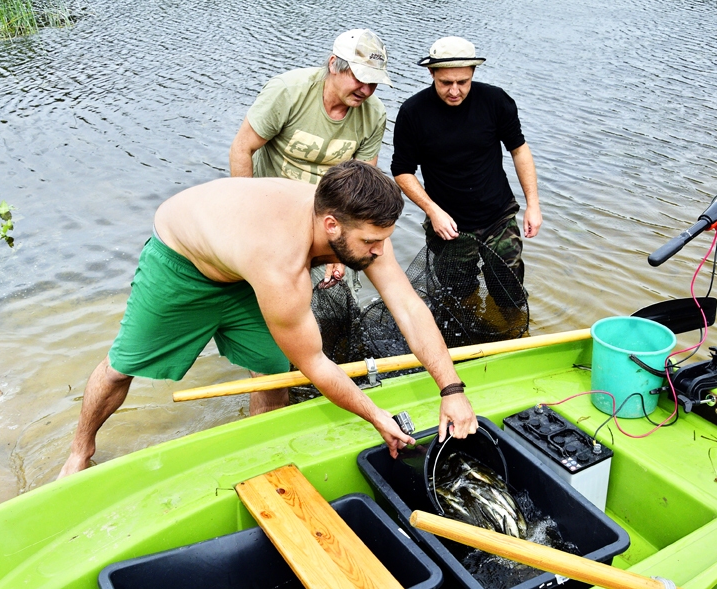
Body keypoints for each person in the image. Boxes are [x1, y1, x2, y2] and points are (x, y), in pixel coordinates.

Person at [58, 161, 477, 478]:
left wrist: (451, 388)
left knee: (273, 372)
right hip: (182, 262)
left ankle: (256, 461)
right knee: (121, 368)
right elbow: (315, 364)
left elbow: (407, 306)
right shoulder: (280, 266)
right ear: (331, 225)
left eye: (383, 240)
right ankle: (80, 450)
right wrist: (377, 416)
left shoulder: (349, 218)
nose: (379, 252)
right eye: (371, 242)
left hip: (242, 261)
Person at [230, 28, 392, 289]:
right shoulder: (289, 92)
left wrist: (340, 248)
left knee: (338, 288)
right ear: (333, 64)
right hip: (271, 211)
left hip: (328, 223)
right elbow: (241, 148)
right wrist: (247, 218)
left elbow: (361, 189)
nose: (366, 90)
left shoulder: (374, 114)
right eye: (359, 78)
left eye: (373, 83)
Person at [391, 37, 541, 314]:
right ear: (431, 73)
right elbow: (402, 170)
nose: (455, 91)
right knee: (458, 299)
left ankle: (510, 329)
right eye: (446, 83)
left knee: (509, 293)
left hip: (498, 216)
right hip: (448, 226)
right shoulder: (413, 113)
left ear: (473, 73)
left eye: (463, 82)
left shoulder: (495, 101)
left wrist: (533, 205)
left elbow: (519, 150)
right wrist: (432, 211)